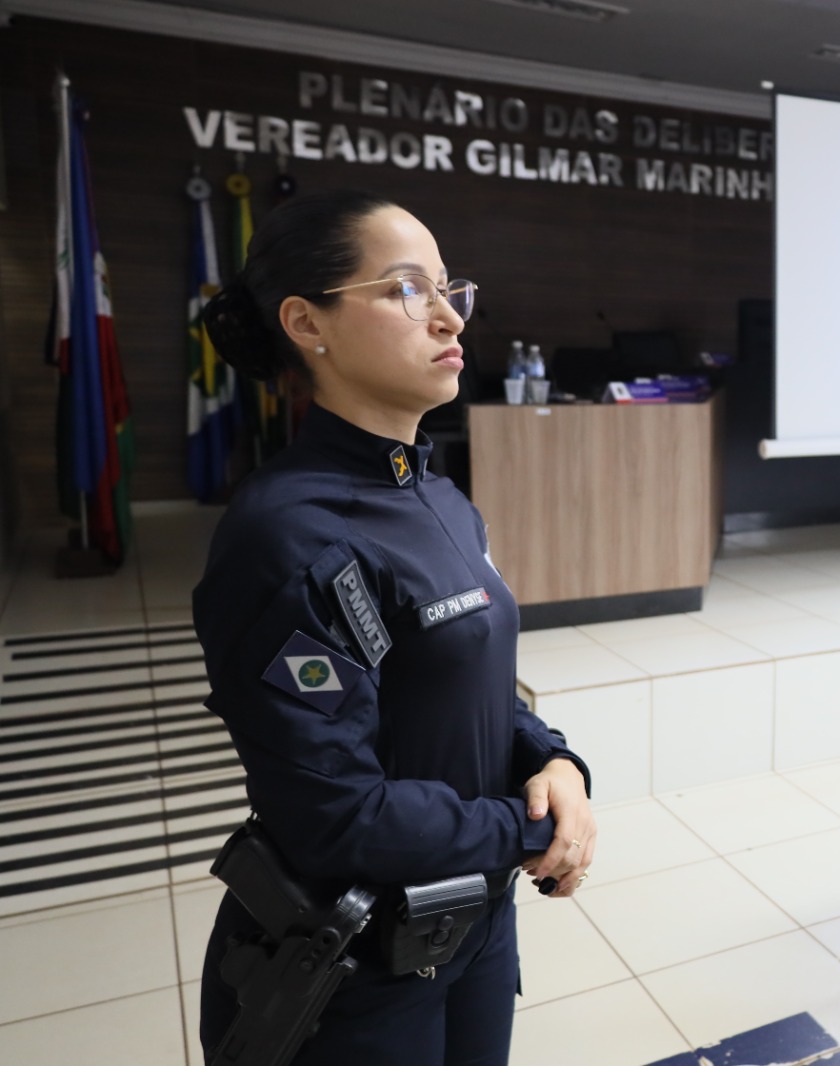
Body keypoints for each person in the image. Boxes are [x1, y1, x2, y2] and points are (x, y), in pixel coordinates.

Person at [193, 189, 596, 1065]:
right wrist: (528, 830)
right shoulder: (288, 534)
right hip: (352, 965)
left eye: (453, 289)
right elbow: (336, 815)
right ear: (308, 322)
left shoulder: (440, 497)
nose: (450, 315)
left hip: (472, 926)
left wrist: (551, 760)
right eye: (410, 289)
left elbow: (468, 686)